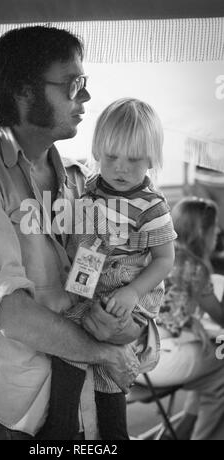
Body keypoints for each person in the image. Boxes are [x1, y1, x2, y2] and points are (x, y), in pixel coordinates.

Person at [0, 27, 145, 440]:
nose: (85, 97)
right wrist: (104, 351)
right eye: (73, 84)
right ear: (23, 92)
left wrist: (123, 321)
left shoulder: (80, 179)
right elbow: (10, 310)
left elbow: (107, 274)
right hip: (31, 411)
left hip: (95, 400)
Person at [38, 98, 176, 440]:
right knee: (69, 342)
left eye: (134, 160)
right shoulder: (89, 188)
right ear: (98, 149)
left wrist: (132, 293)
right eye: (111, 156)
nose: (121, 168)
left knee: (111, 375)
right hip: (90, 284)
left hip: (130, 291)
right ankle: (62, 426)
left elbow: (164, 259)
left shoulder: (151, 205)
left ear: (152, 159)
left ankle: (115, 433)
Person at [139, 197, 224, 440]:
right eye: (214, 226)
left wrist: (189, 321)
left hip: (131, 359)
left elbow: (163, 308)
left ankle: (182, 429)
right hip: (158, 360)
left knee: (213, 358)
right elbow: (221, 318)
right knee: (222, 357)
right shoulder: (195, 267)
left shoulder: (154, 254)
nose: (218, 231)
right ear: (201, 232)